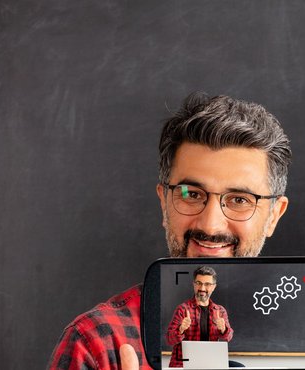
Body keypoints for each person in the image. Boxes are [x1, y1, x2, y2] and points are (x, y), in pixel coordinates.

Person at [48, 92, 291, 369]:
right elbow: (173, 336)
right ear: (165, 202)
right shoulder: (95, 343)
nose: (210, 225)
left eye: (239, 200)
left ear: (273, 216)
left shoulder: (226, 316)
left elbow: (228, 338)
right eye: (191, 194)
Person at [166, 266, 234, 368]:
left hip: (210, 363)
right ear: (194, 284)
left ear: (214, 287)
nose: (202, 288)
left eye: (207, 284)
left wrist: (223, 329)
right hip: (184, 365)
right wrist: (181, 329)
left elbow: (228, 337)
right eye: (198, 283)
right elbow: (169, 340)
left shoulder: (220, 311)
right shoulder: (182, 309)